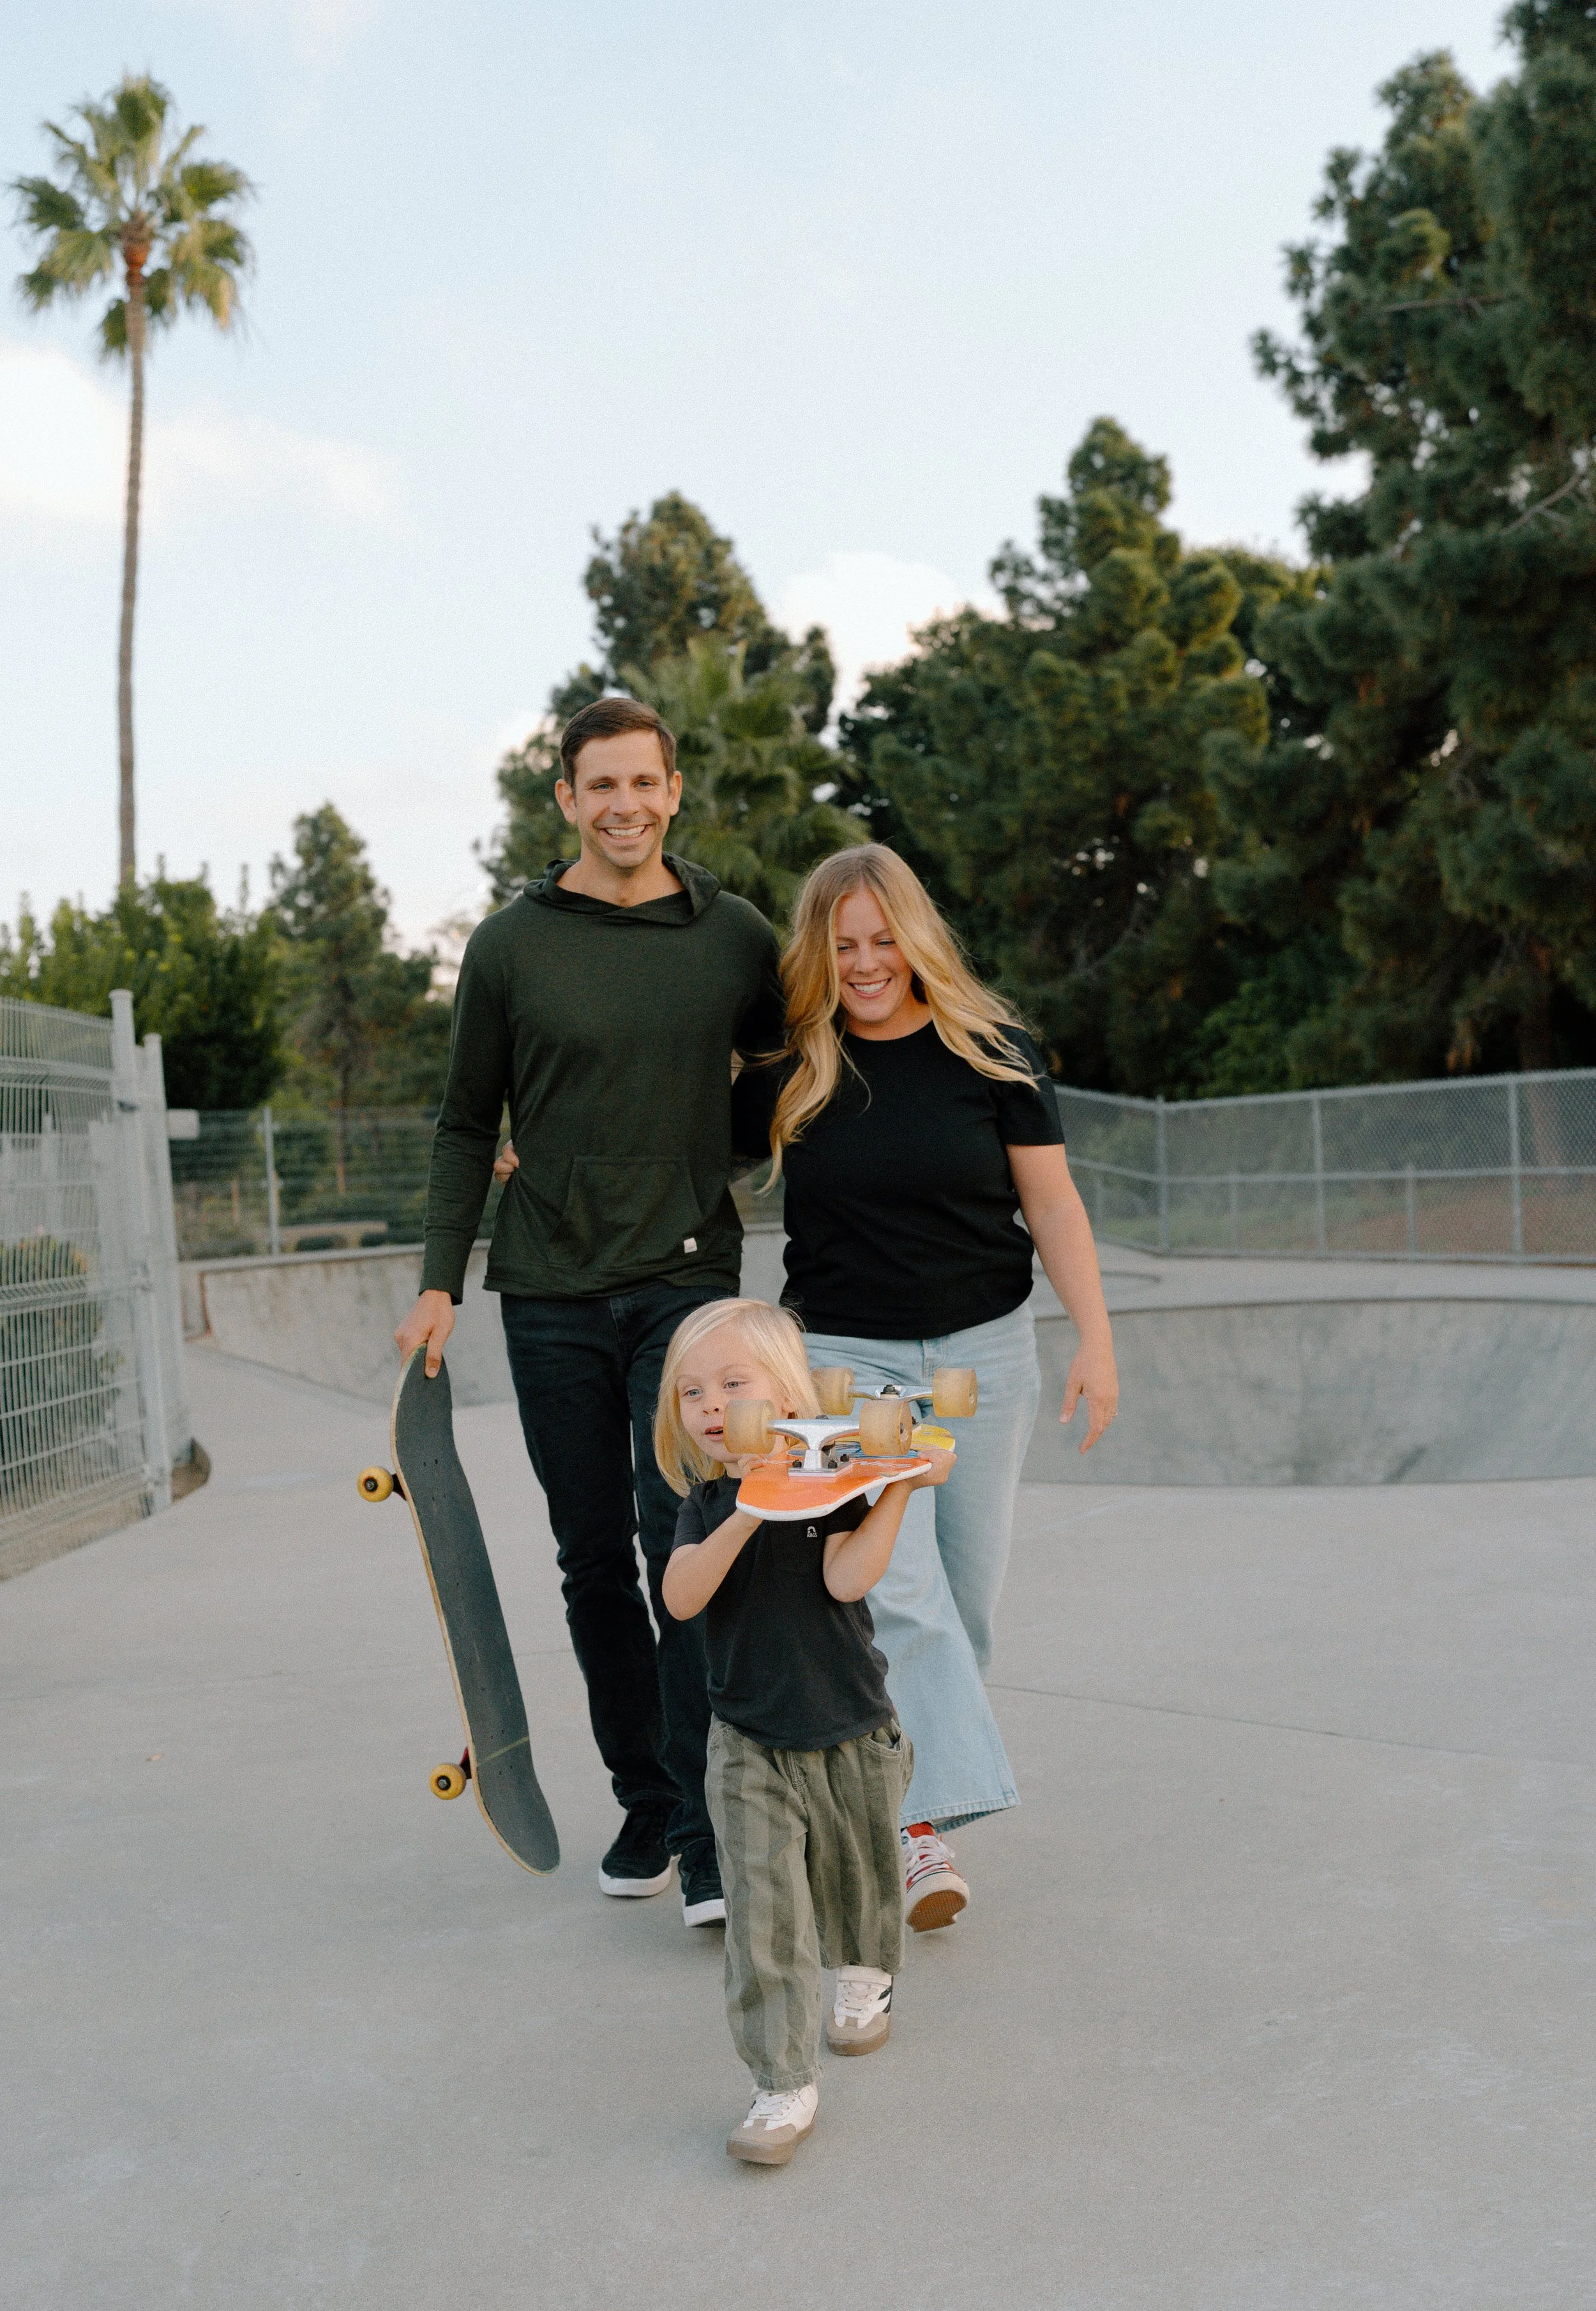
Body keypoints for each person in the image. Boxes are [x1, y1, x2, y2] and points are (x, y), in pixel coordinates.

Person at [395, 696, 784, 1929]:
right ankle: (643, 1797)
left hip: (684, 1291)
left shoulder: (735, 938)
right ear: (565, 798)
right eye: (599, 786)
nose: (625, 806)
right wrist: (439, 1282)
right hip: (552, 1295)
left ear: (676, 790)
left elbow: (777, 1090)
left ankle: (708, 1823)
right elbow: (467, 1122)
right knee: (590, 1558)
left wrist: (693, 1161)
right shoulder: (511, 946)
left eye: (645, 784)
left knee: (688, 1543)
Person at [734, 843, 1118, 1931]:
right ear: (819, 952)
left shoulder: (993, 1051)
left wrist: (1095, 1340)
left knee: (966, 1598)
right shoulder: (793, 1069)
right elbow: (664, 1134)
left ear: (915, 936)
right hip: (850, 1367)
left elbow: (1053, 1208)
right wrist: (540, 1151)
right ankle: (910, 1836)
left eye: (880, 939)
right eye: (842, 945)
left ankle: (909, 1808)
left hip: (980, 1354)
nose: (864, 963)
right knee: (894, 1590)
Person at [656, 1297, 951, 2167]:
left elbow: (848, 1578)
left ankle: (863, 1981)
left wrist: (891, 1489)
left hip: (851, 1727)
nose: (711, 1406)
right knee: (765, 1916)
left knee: (858, 1879)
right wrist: (751, 1507)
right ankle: (783, 2080)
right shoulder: (709, 1502)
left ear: (785, 1393)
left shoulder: (832, 1487)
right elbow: (681, 1597)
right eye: (691, 1392)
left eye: (733, 1384)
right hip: (747, 1743)